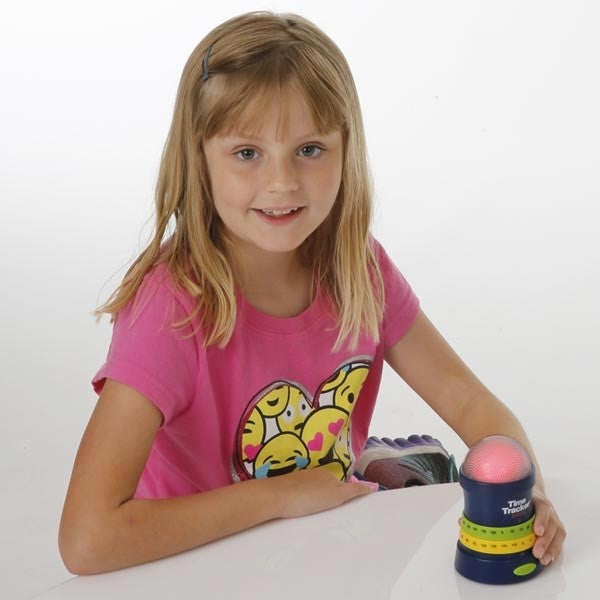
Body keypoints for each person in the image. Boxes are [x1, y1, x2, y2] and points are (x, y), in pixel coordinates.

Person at [58, 10, 565, 576]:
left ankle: (384, 464)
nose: (282, 183)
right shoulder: (170, 309)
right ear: (198, 158)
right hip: (197, 557)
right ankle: (385, 464)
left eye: (310, 149)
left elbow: (469, 401)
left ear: (346, 150)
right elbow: (87, 538)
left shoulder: (358, 266)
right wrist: (281, 496)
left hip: (322, 533)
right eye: (247, 153)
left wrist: (531, 491)